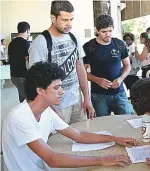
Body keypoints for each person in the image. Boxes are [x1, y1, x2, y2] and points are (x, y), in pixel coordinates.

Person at [2, 61, 137, 171]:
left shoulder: (47, 111)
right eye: (56, 88)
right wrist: (103, 160)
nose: (61, 91)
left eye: (61, 86)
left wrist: (114, 138)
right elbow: (53, 159)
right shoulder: (20, 116)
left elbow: (78, 135)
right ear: (40, 90)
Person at [29, 1, 94, 124]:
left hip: (77, 102)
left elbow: (80, 68)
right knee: (60, 141)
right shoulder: (40, 43)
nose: (69, 24)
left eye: (71, 19)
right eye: (65, 20)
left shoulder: (74, 38)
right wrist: (53, 110)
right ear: (53, 18)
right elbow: (36, 82)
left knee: (83, 136)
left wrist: (87, 98)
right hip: (56, 106)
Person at [82, 14, 132, 117]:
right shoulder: (89, 47)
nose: (107, 34)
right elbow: (82, 72)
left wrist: (120, 79)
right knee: (102, 125)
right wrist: (97, 80)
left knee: (126, 121)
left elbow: (127, 66)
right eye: (104, 32)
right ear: (97, 31)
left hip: (119, 93)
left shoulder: (119, 44)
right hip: (99, 96)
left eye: (110, 31)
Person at [8, 21, 30, 102]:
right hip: (22, 76)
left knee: (22, 97)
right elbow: (29, 60)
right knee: (29, 99)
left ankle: (23, 113)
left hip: (13, 76)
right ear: (27, 31)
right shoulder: (25, 43)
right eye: (29, 32)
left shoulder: (11, 43)